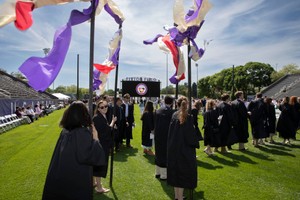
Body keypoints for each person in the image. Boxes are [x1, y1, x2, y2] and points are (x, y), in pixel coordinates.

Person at [42, 101, 105, 200]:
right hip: (76, 178)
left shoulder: (65, 132)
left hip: (61, 175)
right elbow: (90, 157)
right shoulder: (82, 133)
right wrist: (96, 139)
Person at [167, 96, 199, 200]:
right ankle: (179, 197)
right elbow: (190, 137)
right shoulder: (188, 117)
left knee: (176, 172)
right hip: (184, 149)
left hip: (174, 147)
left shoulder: (174, 115)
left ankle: (178, 196)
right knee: (182, 173)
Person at [93, 100, 117, 193]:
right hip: (101, 145)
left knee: (97, 164)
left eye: (106, 106)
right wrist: (113, 122)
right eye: (102, 107)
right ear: (98, 109)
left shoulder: (102, 116)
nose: (105, 108)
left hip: (102, 144)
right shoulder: (97, 118)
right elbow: (106, 130)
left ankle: (94, 182)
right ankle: (99, 187)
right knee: (100, 165)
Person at [154, 96, 174, 180]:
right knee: (165, 154)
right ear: (172, 103)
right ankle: (163, 174)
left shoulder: (158, 111)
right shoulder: (172, 112)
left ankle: (157, 172)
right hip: (167, 136)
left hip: (158, 135)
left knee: (158, 152)